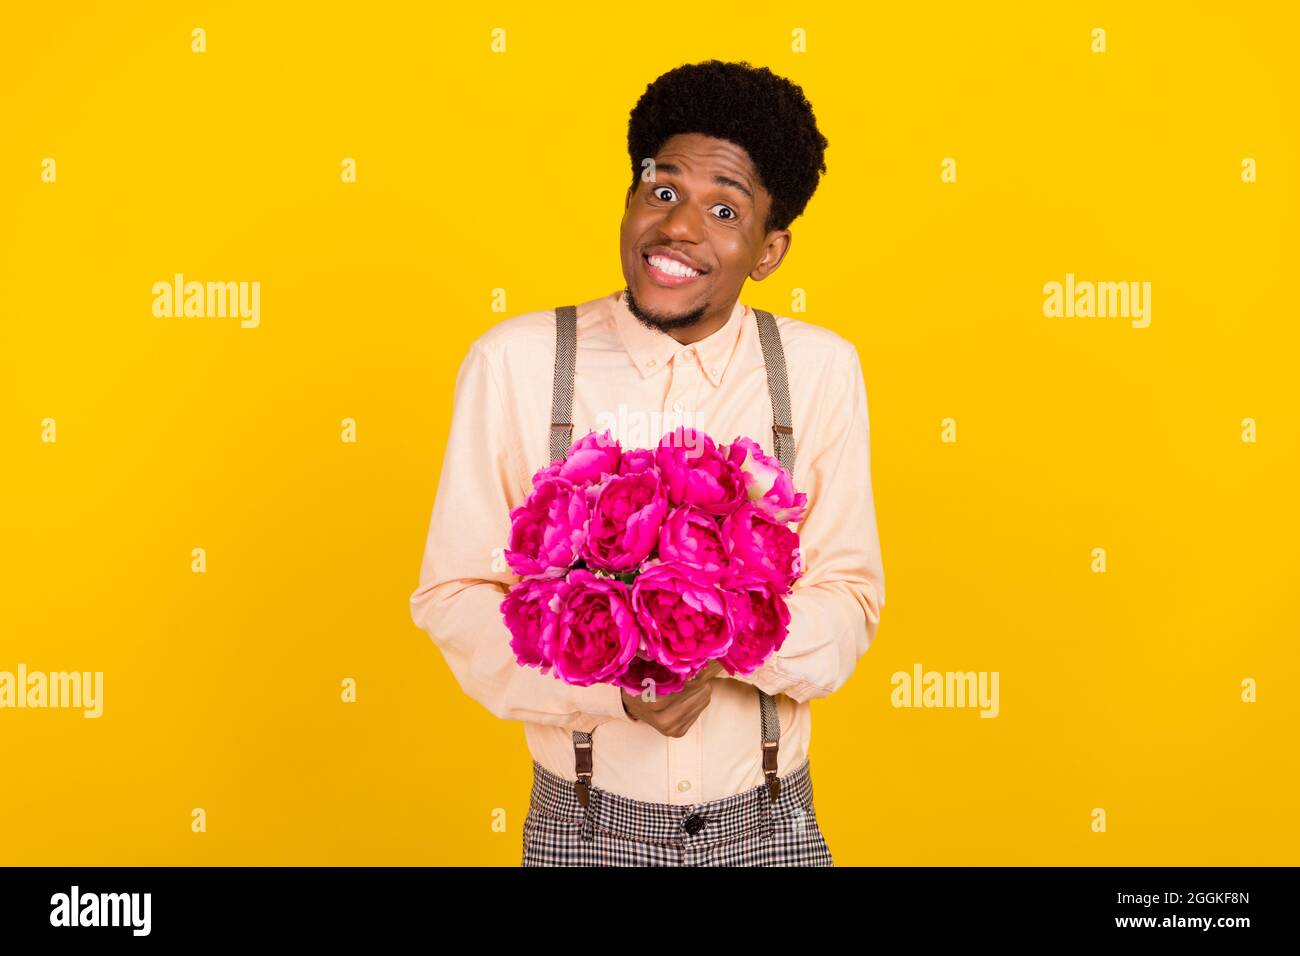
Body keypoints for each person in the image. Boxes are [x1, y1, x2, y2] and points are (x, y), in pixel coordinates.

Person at [410, 59, 884, 866]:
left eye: (724, 208)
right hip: (582, 831)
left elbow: (851, 602)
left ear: (769, 250)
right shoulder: (515, 364)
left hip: (772, 831)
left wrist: (708, 629)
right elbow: (451, 595)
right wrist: (613, 686)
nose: (679, 228)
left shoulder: (819, 371)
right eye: (662, 191)